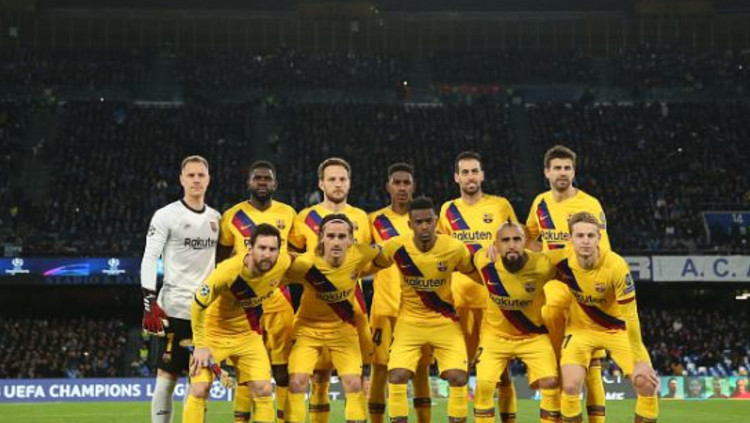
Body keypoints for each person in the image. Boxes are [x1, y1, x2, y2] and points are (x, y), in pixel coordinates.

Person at [527, 145, 610, 423]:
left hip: (585, 288)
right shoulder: (540, 203)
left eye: (567, 168)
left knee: (593, 365)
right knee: (549, 309)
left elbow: (604, 250)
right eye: (557, 168)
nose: (562, 173)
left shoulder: (590, 204)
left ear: (573, 172)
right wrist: (538, 259)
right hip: (556, 283)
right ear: (547, 172)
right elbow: (530, 236)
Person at [287, 157, 373, 423]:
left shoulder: (362, 218)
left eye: (342, 179)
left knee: (357, 379)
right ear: (321, 183)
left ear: (349, 183)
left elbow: (365, 258)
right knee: (318, 376)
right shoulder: (304, 217)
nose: (337, 184)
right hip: (314, 308)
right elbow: (295, 259)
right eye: (332, 179)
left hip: (351, 309)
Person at [377, 197, 476, 423]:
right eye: (418, 222)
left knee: (459, 377)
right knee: (397, 376)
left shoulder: (454, 248)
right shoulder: (396, 246)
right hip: (409, 322)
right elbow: (371, 264)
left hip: (445, 321)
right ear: (410, 224)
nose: (424, 226)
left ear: (436, 221)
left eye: (428, 221)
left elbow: (474, 271)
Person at [140, 155, 221, 423]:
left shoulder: (216, 218)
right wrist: (149, 302)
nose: (196, 180)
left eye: (201, 175)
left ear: (208, 180)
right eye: (191, 175)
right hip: (174, 310)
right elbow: (149, 258)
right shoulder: (166, 215)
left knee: (200, 385)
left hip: (206, 315)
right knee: (166, 379)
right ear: (181, 179)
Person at [184, 224, 292, 423]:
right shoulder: (228, 271)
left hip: (247, 336)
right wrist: (200, 344)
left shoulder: (283, 263)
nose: (267, 254)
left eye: (272, 249)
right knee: (199, 388)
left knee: (263, 389)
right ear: (250, 247)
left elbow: (307, 265)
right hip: (213, 334)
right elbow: (198, 303)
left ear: (279, 250)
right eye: (262, 248)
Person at [557, 212, 659, 423]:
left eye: (590, 235)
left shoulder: (616, 265)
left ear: (599, 238)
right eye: (580, 235)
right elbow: (530, 262)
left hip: (617, 330)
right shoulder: (561, 263)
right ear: (570, 239)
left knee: (646, 383)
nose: (585, 241)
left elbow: (630, 314)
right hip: (579, 331)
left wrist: (640, 360)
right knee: (570, 385)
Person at [284, 214, 384, 423]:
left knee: (354, 383)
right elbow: (273, 277)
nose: (336, 242)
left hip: (343, 331)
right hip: (307, 330)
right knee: (298, 382)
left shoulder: (360, 253)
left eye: (341, 236)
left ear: (351, 240)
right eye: (330, 236)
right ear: (321, 237)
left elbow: (387, 251)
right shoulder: (305, 263)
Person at [217, 160, 296, 422]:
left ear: (275, 184)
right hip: (243, 303)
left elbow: (296, 254)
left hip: (279, 299)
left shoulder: (288, 213)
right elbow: (221, 258)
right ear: (249, 182)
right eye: (257, 178)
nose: (262, 182)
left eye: (267, 178)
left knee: (282, 370)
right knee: (244, 370)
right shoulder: (232, 216)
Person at [472, 221, 560, 423]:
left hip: (532, 336)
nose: (511, 245)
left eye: (516, 239)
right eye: (505, 240)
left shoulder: (543, 264)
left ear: (525, 242)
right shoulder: (483, 260)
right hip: (495, 336)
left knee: (550, 382)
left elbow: (570, 265)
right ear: (496, 244)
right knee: (484, 386)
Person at [367, 163, 432, 423]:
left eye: (406, 183)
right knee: (379, 370)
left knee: (421, 371)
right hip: (384, 308)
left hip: (418, 310)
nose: (402, 188)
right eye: (397, 183)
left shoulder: (425, 221)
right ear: (388, 186)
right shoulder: (374, 220)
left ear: (414, 186)